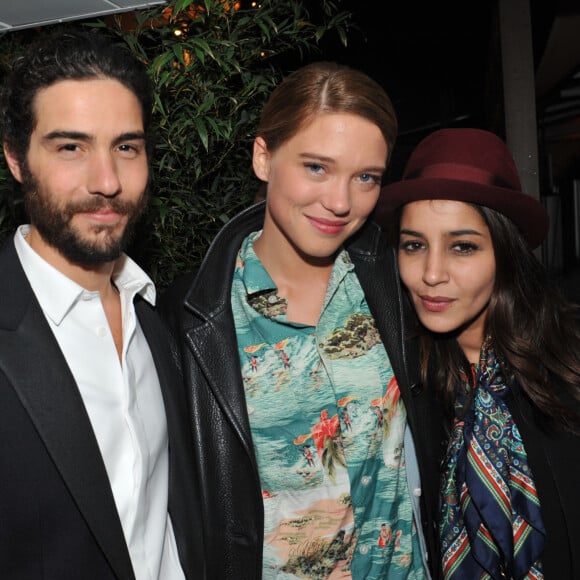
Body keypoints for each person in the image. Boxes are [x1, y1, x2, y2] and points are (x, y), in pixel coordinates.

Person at [160, 61, 445, 579]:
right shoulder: (192, 320)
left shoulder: (396, 284)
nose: (340, 202)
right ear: (263, 157)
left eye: (366, 177)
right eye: (317, 167)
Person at [0, 31, 201, 578]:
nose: (107, 181)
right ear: (17, 158)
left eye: (126, 147)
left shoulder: (161, 317)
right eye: (71, 147)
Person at [379, 127, 580, 579]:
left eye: (462, 247)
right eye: (414, 245)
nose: (431, 274)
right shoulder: (409, 379)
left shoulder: (566, 365)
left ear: (505, 253)